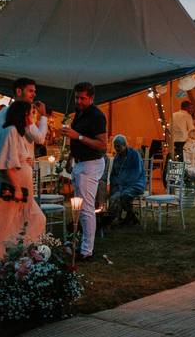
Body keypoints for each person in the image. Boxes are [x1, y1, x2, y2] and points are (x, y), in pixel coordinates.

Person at [0, 101, 47, 279]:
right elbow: (4, 164)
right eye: (29, 114)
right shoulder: (10, 131)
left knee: (35, 220)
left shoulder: (18, 133)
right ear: (22, 115)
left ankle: (18, 264)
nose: (31, 118)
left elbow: (18, 155)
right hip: (7, 190)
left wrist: (27, 161)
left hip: (21, 192)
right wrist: (16, 187)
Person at [61, 82, 108, 261]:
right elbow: (76, 140)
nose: (79, 101)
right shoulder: (79, 113)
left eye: (82, 98)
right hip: (80, 163)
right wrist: (69, 160)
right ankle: (79, 241)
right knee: (79, 207)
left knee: (87, 208)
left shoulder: (97, 116)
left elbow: (103, 145)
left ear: (91, 98)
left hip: (91, 164)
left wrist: (77, 136)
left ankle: (87, 250)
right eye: (77, 97)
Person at [108, 134, 146, 226]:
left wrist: (123, 185)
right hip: (121, 185)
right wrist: (113, 187)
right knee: (114, 196)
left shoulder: (134, 154)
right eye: (115, 146)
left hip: (136, 183)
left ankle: (129, 217)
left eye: (118, 146)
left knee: (124, 195)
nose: (116, 148)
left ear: (125, 145)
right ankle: (126, 217)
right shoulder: (117, 157)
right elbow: (113, 174)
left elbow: (136, 172)